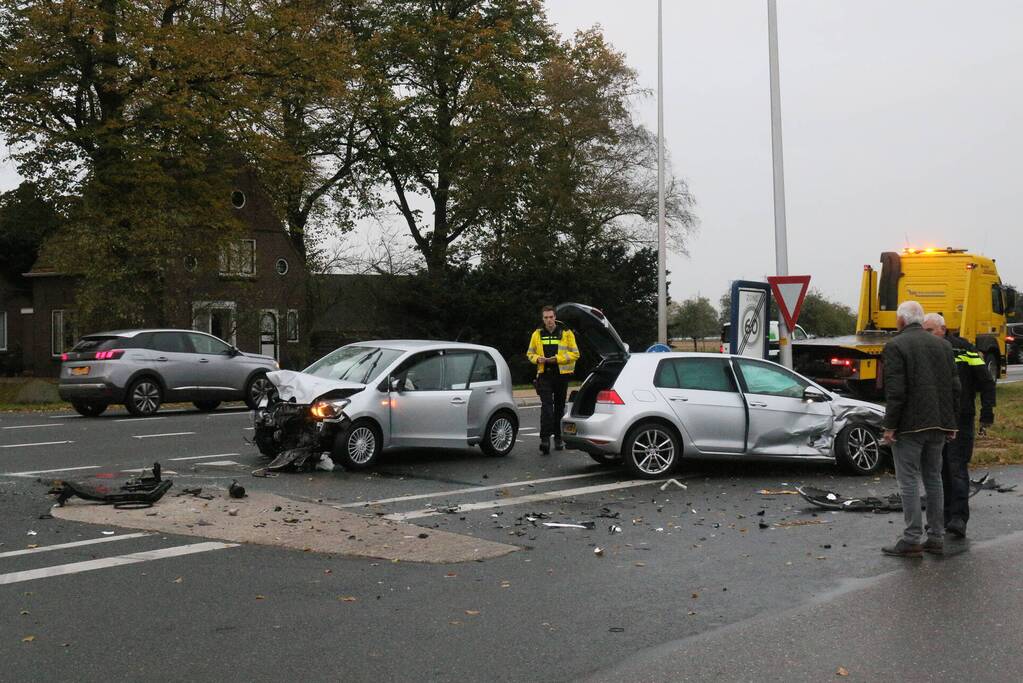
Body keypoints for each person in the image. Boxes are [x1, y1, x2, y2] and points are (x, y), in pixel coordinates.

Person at [881, 301, 960, 557]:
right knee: (934, 479)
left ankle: (912, 537)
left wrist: (890, 425)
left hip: (910, 426)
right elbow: (954, 388)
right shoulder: (944, 346)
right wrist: (951, 423)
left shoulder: (895, 346)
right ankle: (936, 536)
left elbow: (896, 391)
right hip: (938, 424)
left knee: (909, 481)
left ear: (901, 321)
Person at [922, 312, 995, 538]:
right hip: (936, 419)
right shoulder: (926, 350)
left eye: (929, 331)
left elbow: (986, 381)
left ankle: (958, 519)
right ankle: (942, 518)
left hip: (961, 417)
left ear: (943, 329)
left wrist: (987, 412)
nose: (925, 336)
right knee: (938, 469)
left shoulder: (965, 349)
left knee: (956, 468)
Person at [526, 305, 580, 454]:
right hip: (544, 375)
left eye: (551, 317)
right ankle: (544, 440)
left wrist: (556, 359)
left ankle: (558, 438)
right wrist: (538, 359)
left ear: (555, 317)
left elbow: (575, 354)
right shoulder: (537, 334)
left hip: (561, 375)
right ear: (542, 319)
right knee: (547, 408)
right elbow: (530, 354)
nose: (549, 320)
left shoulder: (566, 333)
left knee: (559, 408)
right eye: (546, 317)